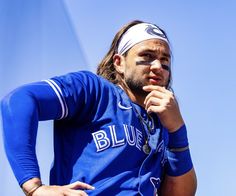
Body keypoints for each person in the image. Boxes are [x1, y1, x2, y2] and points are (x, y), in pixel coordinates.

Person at [1, 20, 197, 195]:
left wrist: (177, 129)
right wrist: (34, 187)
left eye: (165, 60)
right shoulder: (93, 90)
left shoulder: (164, 123)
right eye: (147, 56)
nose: (157, 66)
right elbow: (19, 100)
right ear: (119, 63)